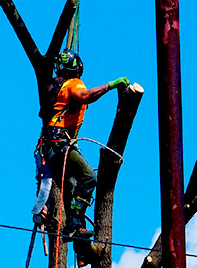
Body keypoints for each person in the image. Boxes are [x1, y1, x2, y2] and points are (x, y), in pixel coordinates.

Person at [33, 49, 129, 242]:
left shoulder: (56, 88)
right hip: (59, 143)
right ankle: (75, 222)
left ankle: (76, 233)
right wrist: (110, 86)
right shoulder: (72, 84)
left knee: (71, 185)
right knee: (89, 178)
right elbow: (85, 95)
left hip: (49, 145)